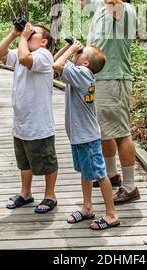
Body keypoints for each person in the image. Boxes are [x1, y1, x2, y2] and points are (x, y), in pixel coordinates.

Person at [74, 0, 140, 204]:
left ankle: (130, 186)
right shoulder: (101, 8)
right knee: (103, 130)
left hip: (114, 78)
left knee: (121, 133)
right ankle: (112, 176)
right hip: (97, 78)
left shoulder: (125, 10)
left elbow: (111, 0)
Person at [53, 40, 120, 230]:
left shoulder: (82, 74)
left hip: (87, 136)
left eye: (81, 53)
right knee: (86, 172)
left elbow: (56, 65)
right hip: (80, 135)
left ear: (86, 63)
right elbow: (55, 61)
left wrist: (72, 49)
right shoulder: (80, 73)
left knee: (99, 174)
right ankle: (87, 207)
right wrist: (69, 48)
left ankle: (111, 214)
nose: (77, 52)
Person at [0, 22, 58, 213]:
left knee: (47, 161)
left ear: (44, 42)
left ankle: (50, 195)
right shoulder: (23, 50)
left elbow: (24, 59)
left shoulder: (43, 55)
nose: (28, 34)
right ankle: (26, 193)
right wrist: (15, 34)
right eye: (27, 33)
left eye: (33, 33)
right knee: (24, 162)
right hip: (21, 122)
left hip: (39, 123)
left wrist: (22, 38)